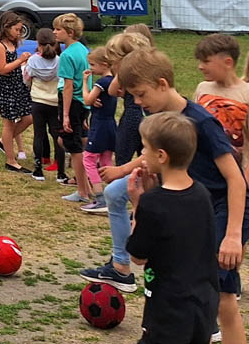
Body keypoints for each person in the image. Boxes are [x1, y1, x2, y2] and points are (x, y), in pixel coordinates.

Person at [80, 48, 248, 344]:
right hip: (189, 209)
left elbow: (236, 178)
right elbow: (152, 156)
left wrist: (233, 235)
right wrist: (126, 172)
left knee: (223, 298)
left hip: (218, 211)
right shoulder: (159, 117)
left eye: (141, 93)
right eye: (132, 95)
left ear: (161, 83)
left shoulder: (200, 122)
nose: (136, 101)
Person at [126, 111, 220, 344]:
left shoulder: (152, 203)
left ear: (161, 155)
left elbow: (138, 256)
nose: (142, 152)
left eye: (145, 147)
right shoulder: (202, 194)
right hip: (203, 305)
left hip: (168, 309)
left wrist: (138, 203)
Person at [195, 34, 249, 179]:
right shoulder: (203, 88)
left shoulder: (246, 93)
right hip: (203, 170)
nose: (200, 66)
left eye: (206, 61)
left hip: (236, 172)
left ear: (228, 62)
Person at [53, 12, 91, 204]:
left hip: (72, 102)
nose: (54, 32)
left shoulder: (67, 55)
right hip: (83, 102)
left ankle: (83, 190)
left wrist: (65, 114)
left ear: (68, 32)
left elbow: (67, 85)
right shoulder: (83, 50)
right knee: (68, 141)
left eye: (58, 29)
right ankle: (88, 185)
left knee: (74, 147)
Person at [23, 29, 67, 183]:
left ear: (38, 44)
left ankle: (38, 169)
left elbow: (26, 80)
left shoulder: (33, 60)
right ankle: (61, 173)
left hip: (38, 101)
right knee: (57, 136)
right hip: (55, 102)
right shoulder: (60, 60)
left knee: (39, 135)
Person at [0, 11, 33, 172]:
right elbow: (2, 69)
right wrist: (20, 60)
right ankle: (10, 160)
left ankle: (3, 141)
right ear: (6, 27)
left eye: (20, 30)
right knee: (9, 122)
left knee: (28, 117)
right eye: (16, 29)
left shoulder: (12, 43)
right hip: (6, 86)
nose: (18, 33)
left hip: (17, 84)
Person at [105, 29, 154, 165]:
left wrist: (119, 75)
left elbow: (112, 90)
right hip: (149, 118)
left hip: (132, 116)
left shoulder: (126, 73)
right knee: (147, 157)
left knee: (122, 155)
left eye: (115, 62)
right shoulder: (151, 72)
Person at [79, 47, 116, 213]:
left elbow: (87, 99)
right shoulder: (113, 81)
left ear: (104, 64)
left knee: (88, 158)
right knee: (106, 159)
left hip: (100, 125)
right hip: (110, 124)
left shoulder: (102, 82)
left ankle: (100, 198)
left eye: (93, 65)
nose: (91, 68)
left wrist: (85, 82)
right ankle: (113, 195)